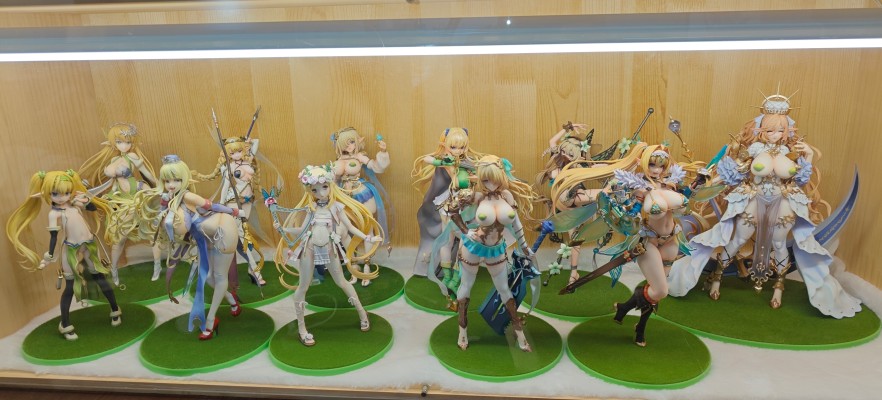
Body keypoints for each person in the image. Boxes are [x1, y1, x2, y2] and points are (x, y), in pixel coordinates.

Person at [668, 94, 861, 318]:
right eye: (770, 130)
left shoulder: (790, 153)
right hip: (754, 198)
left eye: (780, 130)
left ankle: (779, 287)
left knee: (779, 243)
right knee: (737, 240)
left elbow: (800, 179)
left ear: (787, 131)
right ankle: (717, 277)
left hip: (782, 200)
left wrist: (807, 156)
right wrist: (709, 180)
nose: (775, 135)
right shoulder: (753, 151)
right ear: (761, 129)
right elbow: (735, 174)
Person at [273, 164, 383, 346]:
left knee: (342, 282)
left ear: (331, 185)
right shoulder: (311, 208)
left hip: (330, 248)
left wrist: (368, 237)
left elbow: (350, 227)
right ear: (310, 191)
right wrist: (283, 229)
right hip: (309, 248)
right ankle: (302, 328)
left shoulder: (336, 207)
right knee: (303, 287)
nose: (321, 193)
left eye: (324, 187)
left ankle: (362, 313)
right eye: (315, 189)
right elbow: (302, 229)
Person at [7, 170, 121, 340]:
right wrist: (49, 255)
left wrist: (86, 200)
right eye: (55, 194)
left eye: (66, 193)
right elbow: (53, 236)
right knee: (70, 286)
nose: (62, 197)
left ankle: (115, 310)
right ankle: (65, 324)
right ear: (47, 194)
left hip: (89, 244)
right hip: (71, 249)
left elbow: (93, 208)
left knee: (100, 278)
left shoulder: (75, 204)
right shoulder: (54, 214)